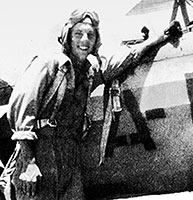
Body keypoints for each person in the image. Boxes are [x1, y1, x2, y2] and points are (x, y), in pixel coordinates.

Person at [4, 8, 182, 200]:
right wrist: (28, 162)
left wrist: (160, 38)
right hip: (41, 150)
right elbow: (20, 106)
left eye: (90, 35)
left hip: (70, 153)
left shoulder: (89, 71)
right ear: (68, 37)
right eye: (78, 34)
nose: (84, 41)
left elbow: (124, 59)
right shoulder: (50, 63)